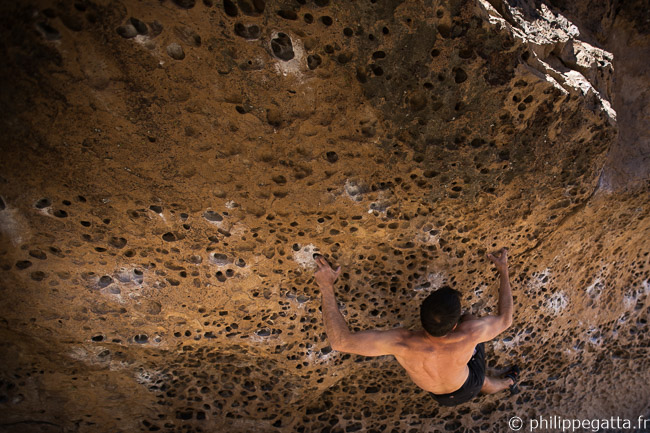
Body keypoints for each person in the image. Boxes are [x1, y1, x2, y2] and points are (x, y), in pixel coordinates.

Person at [313, 248, 519, 407]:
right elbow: (505, 319)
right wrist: (503, 271)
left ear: (420, 317)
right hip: (467, 383)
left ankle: (508, 383)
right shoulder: (468, 333)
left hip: (439, 396)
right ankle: (508, 383)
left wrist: (326, 286)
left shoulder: (401, 343)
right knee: (472, 332)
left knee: (480, 382)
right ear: (455, 326)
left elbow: (340, 342)